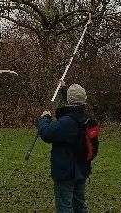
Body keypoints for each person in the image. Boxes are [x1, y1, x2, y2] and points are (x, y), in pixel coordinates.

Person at [38, 82, 93, 213]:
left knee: (64, 207)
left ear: (70, 100)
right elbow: (73, 105)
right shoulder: (86, 117)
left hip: (66, 172)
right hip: (81, 169)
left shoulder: (67, 123)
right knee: (80, 205)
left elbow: (46, 133)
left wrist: (45, 118)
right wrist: (64, 89)